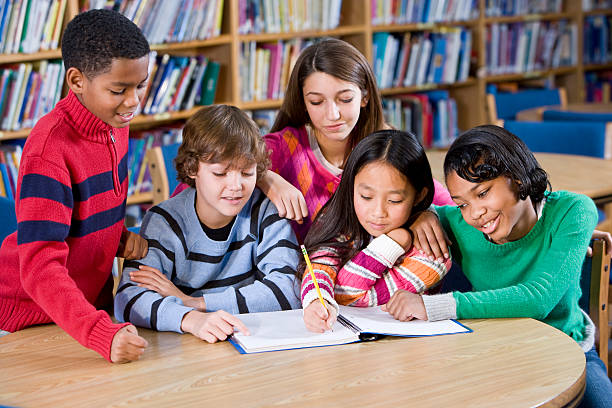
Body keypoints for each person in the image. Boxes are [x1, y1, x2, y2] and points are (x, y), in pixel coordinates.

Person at [389, 125, 612, 408]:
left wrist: (431, 307)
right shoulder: (459, 224)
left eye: (482, 194)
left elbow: (537, 299)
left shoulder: (573, 211)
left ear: (518, 178)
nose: (474, 214)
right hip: (494, 354)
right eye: (462, 204)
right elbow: (392, 215)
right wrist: (421, 215)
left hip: (568, 352)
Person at [172, 38, 455, 244]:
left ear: (365, 97)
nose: (332, 115)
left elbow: (449, 206)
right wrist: (264, 176)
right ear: (303, 103)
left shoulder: (385, 148)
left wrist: (427, 213)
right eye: (316, 101)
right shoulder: (282, 147)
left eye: (345, 99)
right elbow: (191, 192)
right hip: (296, 291)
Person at [0, 9, 150, 363]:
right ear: (77, 80)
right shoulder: (49, 149)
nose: (133, 101)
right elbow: (39, 266)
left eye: (140, 85)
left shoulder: (115, 122)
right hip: (28, 319)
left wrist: (115, 236)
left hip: (84, 310)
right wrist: (98, 331)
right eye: (119, 89)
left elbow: (85, 212)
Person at [114, 105, 302, 343]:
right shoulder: (165, 221)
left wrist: (194, 302)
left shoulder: (265, 210)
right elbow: (128, 301)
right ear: (193, 169)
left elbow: (289, 290)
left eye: (247, 173)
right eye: (220, 174)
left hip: (250, 343)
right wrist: (190, 318)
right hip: (186, 348)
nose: (236, 186)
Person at [299, 129, 451, 332]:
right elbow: (320, 266)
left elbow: (348, 294)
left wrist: (394, 242)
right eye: (366, 197)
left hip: (407, 349)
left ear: (418, 195)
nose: (378, 212)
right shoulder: (341, 221)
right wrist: (316, 302)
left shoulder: (432, 252)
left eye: (394, 200)